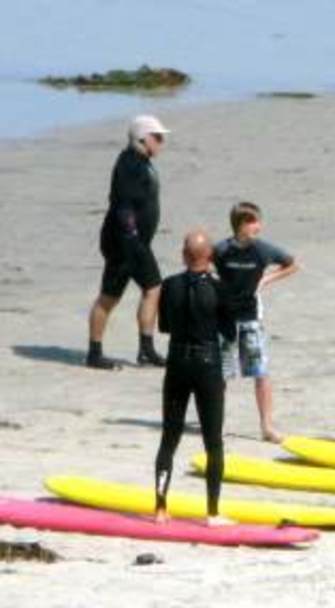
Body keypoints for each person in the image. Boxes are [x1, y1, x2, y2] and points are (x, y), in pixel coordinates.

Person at [154, 230, 236, 526]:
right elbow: (229, 332)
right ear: (209, 256)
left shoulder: (169, 285)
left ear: (184, 255)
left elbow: (164, 326)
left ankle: (160, 508)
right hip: (206, 364)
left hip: (177, 361)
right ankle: (212, 512)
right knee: (213, 441)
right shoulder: (218, 287)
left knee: (169, 437)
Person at [87, 115, 171, 370]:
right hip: (125, 244)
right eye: (158, 137)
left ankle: (144, 349)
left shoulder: (140, 161)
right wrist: (132, 239)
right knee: (115, 295)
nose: (162, 142)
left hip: (134, 243)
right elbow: (123, 207)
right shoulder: (130, 165)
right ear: (143, 139)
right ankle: (97, 353)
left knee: (145, 289)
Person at [213, 202, 299, 444]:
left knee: (261, 373)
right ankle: (215, 424)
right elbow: (203, 262)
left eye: (258, 222)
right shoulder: (221, 250)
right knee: (220, 376)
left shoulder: (263, 250)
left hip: (251, 319)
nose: (258, 227)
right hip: (225, 320)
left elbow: (292, 264)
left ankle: (267, 426)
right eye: (252, 222)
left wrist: (267, 279)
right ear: (240, 225)